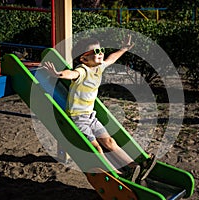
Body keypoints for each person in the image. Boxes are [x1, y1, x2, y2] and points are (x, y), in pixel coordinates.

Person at [43, 35, 153, 182]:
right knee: (96, 147)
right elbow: (72, 74)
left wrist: (124, 49)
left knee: (110, 142)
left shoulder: (99, 67)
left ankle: (135, 166)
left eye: (101, 50)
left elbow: (111, 58)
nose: (100, 53)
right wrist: (58, 74)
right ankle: (116, 174)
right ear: (84, 59)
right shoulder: (83, 70)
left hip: (91, 116)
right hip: (77, 119)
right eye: (95, 52)